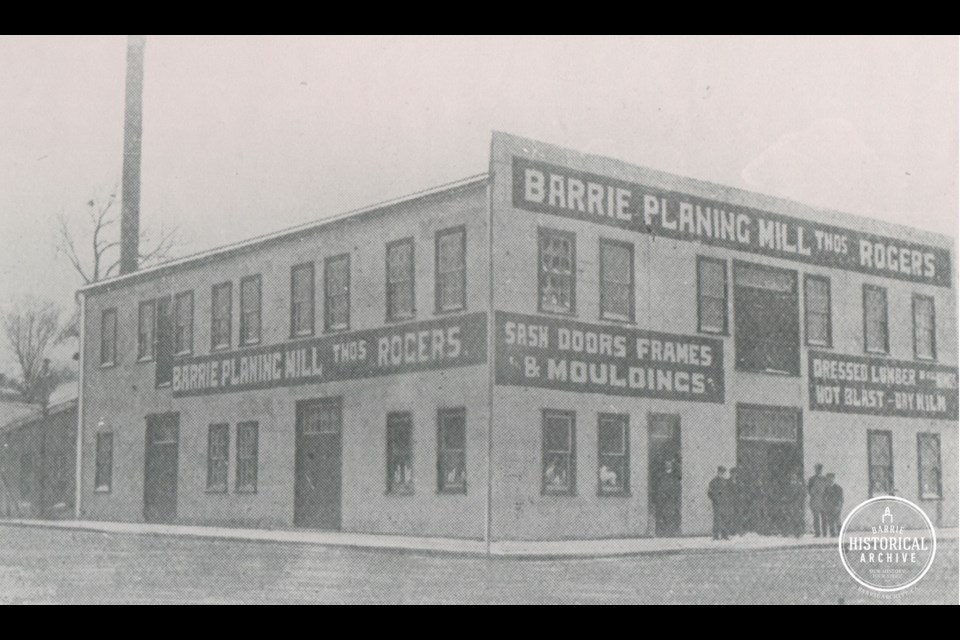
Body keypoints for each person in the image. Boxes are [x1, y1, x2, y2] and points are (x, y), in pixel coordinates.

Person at [656, 459, 682, 537]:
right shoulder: (661, 475)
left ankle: (672, 533)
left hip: (672, 499)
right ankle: (663, 533)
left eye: (669, 464)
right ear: (664, 465)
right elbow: (660, 487)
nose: (668, 465)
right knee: (663, 515)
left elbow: (677, 487)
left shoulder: (674, 476)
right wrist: (662, 495)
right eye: (666, 464)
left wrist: (674, 496)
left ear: (672, 465)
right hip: (663, 499)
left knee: (672, 514)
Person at [708, 466, 730, 540]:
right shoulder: (713, 482)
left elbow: (729, 492)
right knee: (717, 519)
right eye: (720, 472)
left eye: (723, 472)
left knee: (725, 518)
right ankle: (715, 535)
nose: (721, 473)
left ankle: (725, 535)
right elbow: (709, 492)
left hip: (725, 503)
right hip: (717, 503)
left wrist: (727, 499)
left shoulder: (726, 482)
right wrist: (715, 499)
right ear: (718, 472)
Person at [807, 464, 828, 537]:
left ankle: (825, 533)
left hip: (823, 501)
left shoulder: (825, 479)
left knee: (824, 518)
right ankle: (817, 533)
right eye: (817, 469)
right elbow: (809, 489)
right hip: (815, 500)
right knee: (816, 518)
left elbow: (828, 489)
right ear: (815, 470)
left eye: (819, 469)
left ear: (821, 470)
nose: (818, 471)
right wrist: (813, 493)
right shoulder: (812, 479)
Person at [786, 471, 806, 537]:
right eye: (791, 476)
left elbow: (803, 494)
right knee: (790, 517)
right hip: (790, 503)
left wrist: (800, 503)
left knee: (798, 518)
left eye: (794, 476)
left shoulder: (799, 485)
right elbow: (787, 494)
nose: (793, 477)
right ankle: (790, 531)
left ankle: (798, 533)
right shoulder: (788, 485)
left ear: (796, 477)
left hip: (797, 503)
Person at [728, 467, 745, 536]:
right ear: (731, 474)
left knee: (739, 516)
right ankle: (732, 531)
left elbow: (742, 491)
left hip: (738, 502)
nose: (734, 475)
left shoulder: (739, 482)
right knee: (731, 517)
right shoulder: (727, 482)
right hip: (730, 502)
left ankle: (740, 531)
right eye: (733, 473)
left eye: (735, 473)